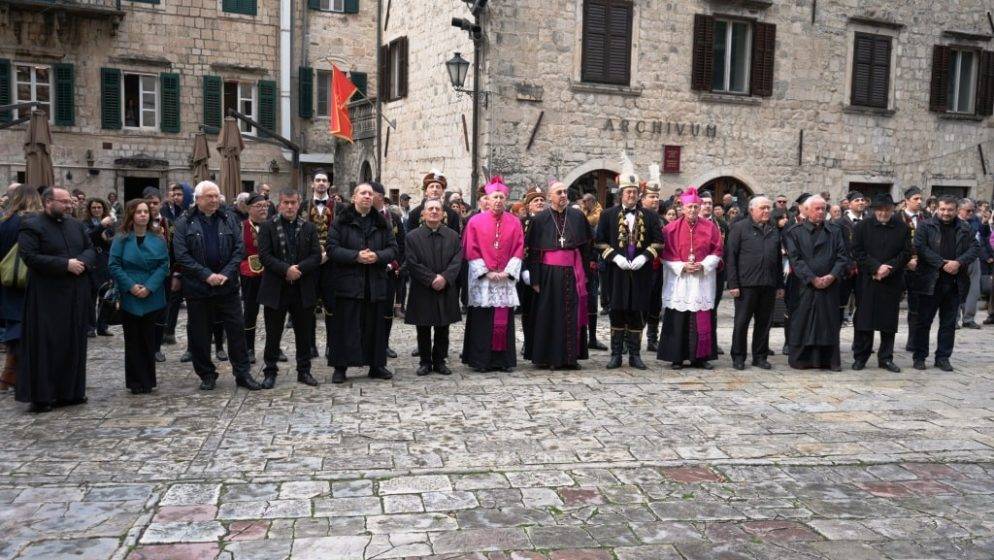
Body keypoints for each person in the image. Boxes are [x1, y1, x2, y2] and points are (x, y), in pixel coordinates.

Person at [172, 181, 262, 391]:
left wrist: (224, 274)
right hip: (198, 288)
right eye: (209, 196)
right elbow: (182, 255)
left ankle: (242, 373)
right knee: (200, 334)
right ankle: (206, 374)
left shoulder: (229, 218)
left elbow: (238, 250)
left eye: (216, 196)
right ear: (198, 199)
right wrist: (206, 275)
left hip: (227, 286)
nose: (214, 200)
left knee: (236, 331)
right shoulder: (184, 221)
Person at [16, 187, 96, 412]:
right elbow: (29, 257)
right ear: (48, 202)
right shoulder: (32, 225)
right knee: (46, 346)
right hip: (47, 297)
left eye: (70, 202)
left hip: (75, 295)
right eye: (64, 202)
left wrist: (81, 261)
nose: (69, 206)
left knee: (74, 343)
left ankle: (71, 392)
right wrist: (65, 265)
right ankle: (44, 396)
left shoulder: (76, 225)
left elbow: (90, 249)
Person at [325, 183, 399, 383]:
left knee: (374, 326)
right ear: (354, 197)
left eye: (370, 193)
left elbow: (393, 249)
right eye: (363, 193)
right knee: (345, 326)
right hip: (348, 283)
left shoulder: (382, 222)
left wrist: (377, 256)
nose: (367, 196)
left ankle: (376, 365)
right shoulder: (341, 221)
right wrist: (356, 256)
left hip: (374, 283)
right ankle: (340, 367)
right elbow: (332, 248)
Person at [594, 162, 664, 370]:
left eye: (634, 192)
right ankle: (616, 354)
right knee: (617, 311)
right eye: (628, 192)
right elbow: (599, 241)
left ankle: (635, 355)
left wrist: (645, 257)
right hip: (616, 273)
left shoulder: (651, 216)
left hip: (640, 273)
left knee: (636, 312)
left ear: (638, 195)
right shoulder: (607, 215)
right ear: (621, 194)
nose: (631, 195)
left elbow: (659, 242)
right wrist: (615, 257)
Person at [257, 188, 323, 388]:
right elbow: (264, 256)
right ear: (279, 204)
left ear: (299, 204)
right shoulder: (268, 227)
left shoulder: (308, 228)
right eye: (286, 202)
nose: (290, 206)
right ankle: (270, 371)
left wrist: (298, 270)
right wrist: (286, 270)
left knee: (303, 333)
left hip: (302, 288)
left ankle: (304, 371)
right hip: (276, 288)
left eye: (293, 202)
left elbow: (316, 256)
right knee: (273, 333)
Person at [527, 180, 594, 370]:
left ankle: (571, 357)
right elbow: (533, 252)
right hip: (549, 275)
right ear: (550, 197)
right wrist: (535, 279)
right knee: (551, 315)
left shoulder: (577, 216)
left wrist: (586, 274)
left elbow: (585, 248)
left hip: (573, 272)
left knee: (572, 314)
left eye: (565, 192)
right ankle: (551, 358)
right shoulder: (539, 219)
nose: (563, 195)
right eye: (559, 192)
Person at [462, 177, 525, 372]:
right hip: (484, 280)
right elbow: (470, 249)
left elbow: (519, 248)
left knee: (503, 321)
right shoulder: (474, 222)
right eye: (494, 197)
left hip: (505, 278)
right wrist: (486, 272)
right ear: (487, 200)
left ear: (505, 199)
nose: (498, 200)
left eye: (501, 197)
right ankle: (481, 361)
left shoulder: (514, 222)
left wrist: (507, 272)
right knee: (482, 321)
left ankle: (502, 361)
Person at [657, 188, 724, 370]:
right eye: (690, 207)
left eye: (696, 207)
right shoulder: (670, 229)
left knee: (701, 316)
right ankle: (676, 357)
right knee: (678, 317)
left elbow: (717, 250)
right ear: (683, 208)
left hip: (702, 278)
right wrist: (682, 266)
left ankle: (700, 358)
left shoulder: (710, 228)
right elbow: (664, 253)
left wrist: (703, 265)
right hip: (680, 279)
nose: (693, 210)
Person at [912, 195, 980, 371]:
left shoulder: (965, 228)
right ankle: (919, 357)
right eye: (942, 209)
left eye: (950, 210)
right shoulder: (926, 226)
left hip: (955, 282)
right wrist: (942, 264)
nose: (946, 213)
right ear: (937, 208)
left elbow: (975, 248)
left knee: (949, 323)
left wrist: (958, 262)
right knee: (923, 322)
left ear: (956, 210)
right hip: (930, 281)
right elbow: (920, 247)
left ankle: (943, 357)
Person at [109, 200, 170, 394]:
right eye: (138, 212)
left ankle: (148, 380)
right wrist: (131, 286)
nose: (143, 215)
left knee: (149, 340)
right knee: (133, 340)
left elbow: (164, 265)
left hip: (152, 294)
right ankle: (135, 382)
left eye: (145, 212)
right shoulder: (121, 239)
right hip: (130, 295)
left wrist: (149, 287)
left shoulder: (158, 238)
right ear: (131, 215)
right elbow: (114, 265)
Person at [782, 195, 850, 371]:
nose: (821, 212)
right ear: (806, 210)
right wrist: (813, 278)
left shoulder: (834, 231)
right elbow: (795, 259)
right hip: (805, 286)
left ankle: (827, 360)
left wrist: (832, 276)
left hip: (830, 285)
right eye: (817, 209)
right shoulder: (794, 232)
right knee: (803, 321)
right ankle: (802, 360)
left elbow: (842, 257)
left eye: (823, 209)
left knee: (827, 322)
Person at [850, 193, 910, 372]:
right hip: (868, 279)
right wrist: (876, 268)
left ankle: (885, 357)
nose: (883, 213)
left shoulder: (902, 227)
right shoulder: (862, 227)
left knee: (888, 322)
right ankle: (861, 356)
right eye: (880, 210)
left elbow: (906, 252)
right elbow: (857, 251)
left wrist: (889, 267)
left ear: (892, 210)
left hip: (891, 280)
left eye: (887, 210)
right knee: (864, 321)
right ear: (874, 210)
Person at [405, 198, 463, 376]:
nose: (434, 211)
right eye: (430, 208)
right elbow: (412, 262)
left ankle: (440, 360)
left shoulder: (453, 236)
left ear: (443, 214)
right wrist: (431, 279)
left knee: (443, 326)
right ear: (423, 213)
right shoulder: (412, 236)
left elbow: (457, 260)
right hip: (423, 288)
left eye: (437, 209)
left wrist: (445, 278)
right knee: (423, 326)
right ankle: (425, 361)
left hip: (445, 287)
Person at [726, 196, 782, 371]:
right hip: (746, 284)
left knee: (764, 323)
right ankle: (738, 356)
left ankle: (760, 356)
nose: (766, 211)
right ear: (752, 210)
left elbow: (778, 260)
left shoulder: (773, 230)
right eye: (762, 208)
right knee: (742, 322)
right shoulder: (739, 228)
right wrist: (733, 284)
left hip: (768, 284)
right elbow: (731, 258)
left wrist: (779, 284)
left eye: (768, 208)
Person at [0, 186, 42, 392]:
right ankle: (15, 374)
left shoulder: (4, 222)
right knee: (24, 329)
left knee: (13, 325)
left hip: (6, 281)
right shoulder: (33, 223)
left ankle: (9, 375)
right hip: (29, 280)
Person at [302, 170, 345, 360]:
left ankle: (332, 345)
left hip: (332, 263)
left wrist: (329, 253)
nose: (320, 183)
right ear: (312, 184)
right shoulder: (302, 206)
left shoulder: (340, 207)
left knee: (332, 306)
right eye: (317, 180)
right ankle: (310, 345)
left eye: (324, 181)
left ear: (329, 185)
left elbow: (343, 234)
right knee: (309, 305)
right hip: (309, 264)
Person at [370, 182, 405, 358]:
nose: (368, 197)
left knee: (386, 311)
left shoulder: (394, 218)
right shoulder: (364, 217)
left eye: (372, 194)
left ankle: (384, 344)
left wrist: (393, 265)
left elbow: (401, 246)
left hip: (389, 272)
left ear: (381, 197)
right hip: (368, 271)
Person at [239, 193, 271, 364]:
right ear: (249, 209)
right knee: (250, 312)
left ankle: (274, 347)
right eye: (259, 206)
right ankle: (249, 347)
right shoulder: (242, 227)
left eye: (265, 206)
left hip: (271, 274)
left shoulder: (273, 225)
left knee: (272, 312)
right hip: (249, 275)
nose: (263, 209)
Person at [518, 186, 545, 361]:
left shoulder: (550, 220)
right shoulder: (522, 223)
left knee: (543, 310)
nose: (540, 203)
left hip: (546, 272)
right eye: (536, 201)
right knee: (528, 310)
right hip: (526, 273)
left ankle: (541, 342)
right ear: (528, 206)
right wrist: (524, 270)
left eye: (542, 200)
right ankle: (528, 341)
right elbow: (521, 248)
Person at [83, 197, 116, 337]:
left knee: (106, 294)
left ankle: (103, 325)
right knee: (90, 295)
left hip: (104, 259)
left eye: (99, 207)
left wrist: (107, 237)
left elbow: (112, 240)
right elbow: (88, 237)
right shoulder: (85, 223)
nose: (96, 210)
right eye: (94, 208)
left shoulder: (110, 223)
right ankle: (90, 326)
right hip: (91, 259)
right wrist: (100, 227)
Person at [900, 187, 927, 351]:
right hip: (900, 268)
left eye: (920, 199)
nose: (919, 202)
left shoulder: (925, 219)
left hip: (919, 269)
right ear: (907, 200)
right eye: (916, 198)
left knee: (916, 307)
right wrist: (905, 260)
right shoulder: (897, 218)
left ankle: (913, 340)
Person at [834, 191, 866, 324]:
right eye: (857, 200)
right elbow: (838, 247)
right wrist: (848, 264)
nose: (860, 202)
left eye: (862, 200)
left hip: (864, 269)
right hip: (845, 270)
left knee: (863, 304)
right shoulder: (840, 223)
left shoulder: (869, 221)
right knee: (840, 304)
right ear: (849, 204)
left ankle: (860, 342)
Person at [956, 198, 983, 329]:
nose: (971, 213)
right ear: (960, 210)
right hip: (959, 259)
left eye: (973, 210)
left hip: (974, 259)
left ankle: (969, 318)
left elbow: (982, 237)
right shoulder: (954, 222)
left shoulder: (975, 221)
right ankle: (954, 319)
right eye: (968, 210)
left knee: (974, 290)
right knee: (955, 289)